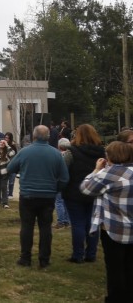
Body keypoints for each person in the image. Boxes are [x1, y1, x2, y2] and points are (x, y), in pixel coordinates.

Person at [7, 125, 69, 268]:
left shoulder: (25, 152)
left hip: (28, 194)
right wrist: (55, 189)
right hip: (47, 196)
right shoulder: (56, 154)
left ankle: (25, 257)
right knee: (45, 227)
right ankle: (44, 259)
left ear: (33, 136)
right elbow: (65, 178)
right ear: (48, 137)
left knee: (27, 227)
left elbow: (10, 168)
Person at [80, 141, 133, 303]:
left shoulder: (108, 174)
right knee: (130, 266)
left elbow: (86, 188)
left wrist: (96, 169)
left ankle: (116, 298)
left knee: (114, 268)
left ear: (109, 156)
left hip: (113, 228)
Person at [62, 123, 105, 263]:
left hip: (75, 192)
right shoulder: (103, 152)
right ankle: (91, 254)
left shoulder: (71, 152)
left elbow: (64, 171)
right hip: (95, 191)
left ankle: (78, 254)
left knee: (78, 224)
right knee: (93, 224)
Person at [54, 138, 72, 229]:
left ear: (59, 146)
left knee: (59, 201)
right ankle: (67, 221)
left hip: (60, 181)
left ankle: (61, 221)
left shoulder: (57, 155)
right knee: (66, 201)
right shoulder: (71, 155)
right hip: (69, 181)